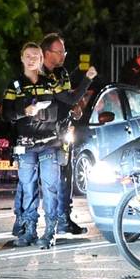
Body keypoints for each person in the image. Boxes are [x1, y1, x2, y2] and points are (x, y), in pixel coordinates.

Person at [3, 43, 63, 247]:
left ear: (41, 59)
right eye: (28, 56)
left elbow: (65, 102)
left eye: (36, 56)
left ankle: (50, 231)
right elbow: (7, 113)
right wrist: (24, 112)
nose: (31, 60)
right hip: (25, 145)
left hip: (50, 143)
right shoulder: (14, 85)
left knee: (50, 187)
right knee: (28, 187)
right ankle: (29, 230)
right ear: (21, 58)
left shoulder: (50, 83)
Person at [41, 33, 97, 237]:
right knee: (45, 179)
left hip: (63, 131)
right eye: (59, 51)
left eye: (64, 51)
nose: (64, 55)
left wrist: (73, 109)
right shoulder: (41, 74)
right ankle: (28, 222)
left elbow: (67, 100)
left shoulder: (62, 72)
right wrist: (87, 80)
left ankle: (64, 218)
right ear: (47, 53)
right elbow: (68, 96)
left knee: (66, 176)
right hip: (44, 133)